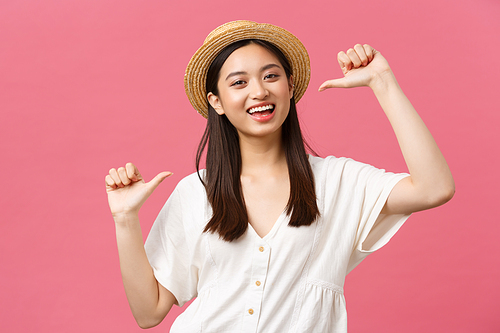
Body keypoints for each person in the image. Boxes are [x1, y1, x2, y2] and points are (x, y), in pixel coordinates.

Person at [105, 20, 454, 332]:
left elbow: (433, 188)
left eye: (270, 76)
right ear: (217, 102)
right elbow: (148, 312)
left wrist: (383, 83)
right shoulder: (196, 192)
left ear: (290, 86)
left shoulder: (337, 181)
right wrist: (125, 218)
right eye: (239, 82)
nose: (259, 91)